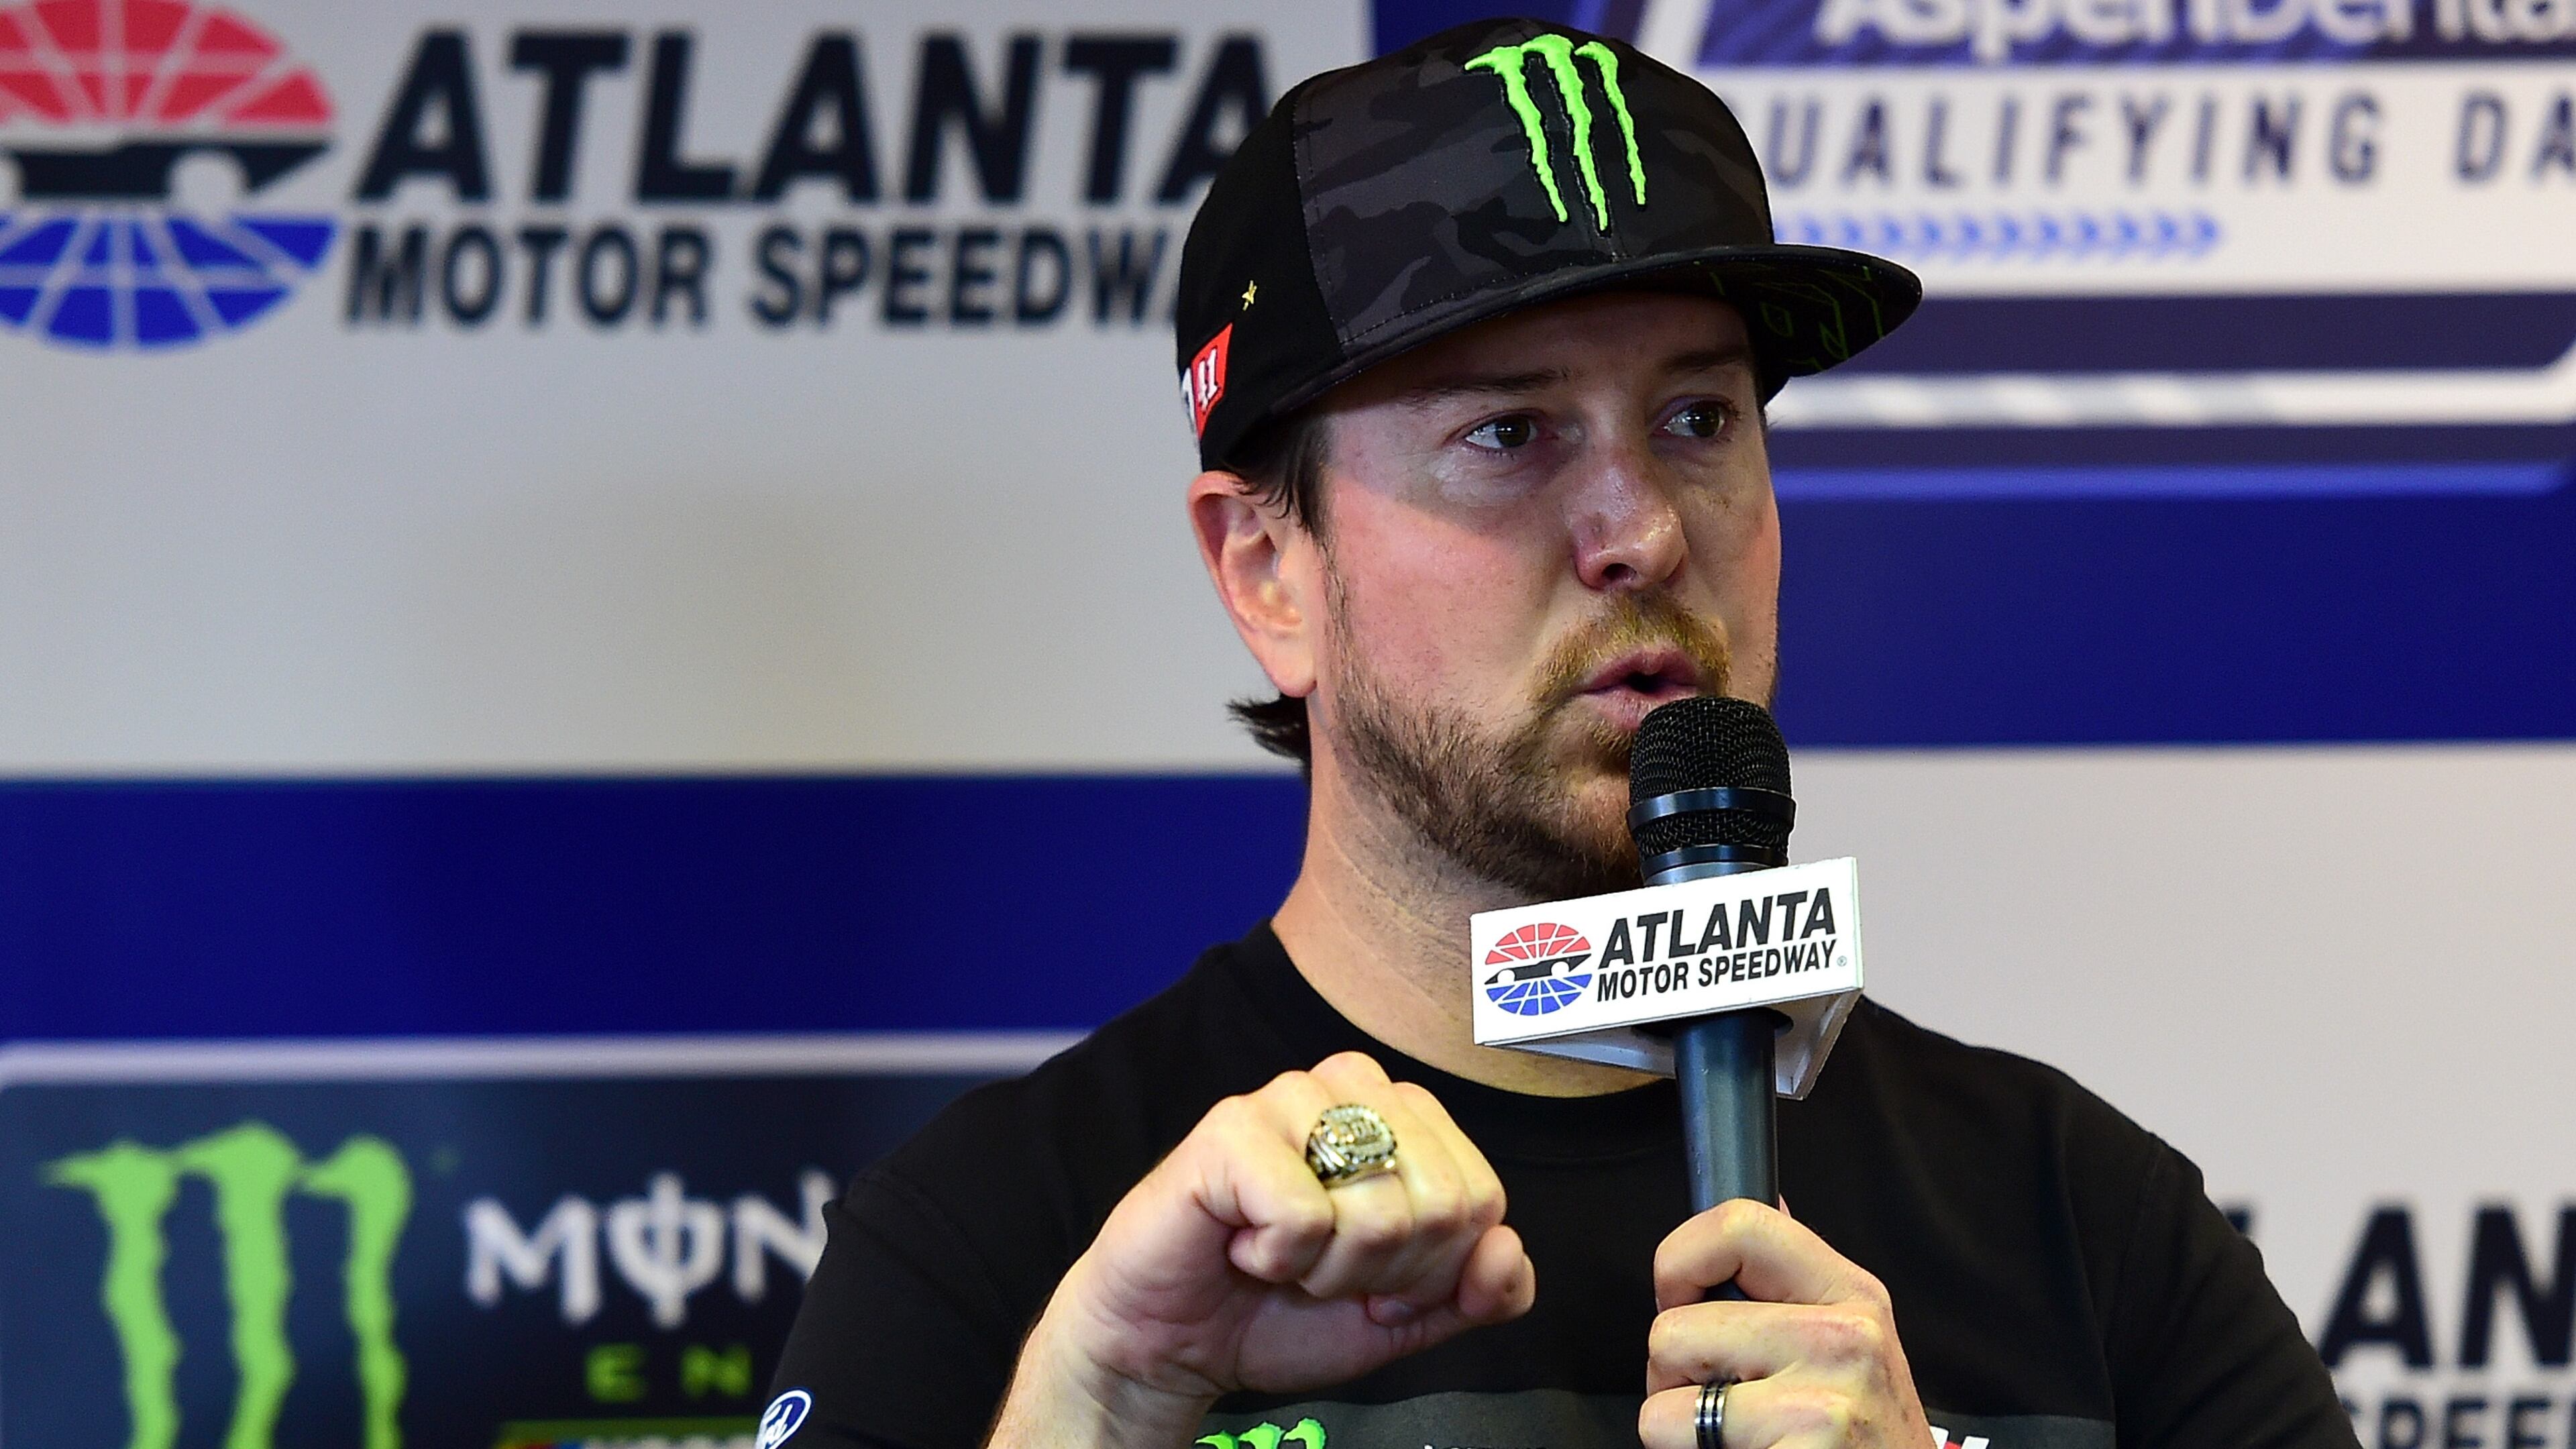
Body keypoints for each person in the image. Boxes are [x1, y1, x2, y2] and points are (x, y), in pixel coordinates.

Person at [769, 18, 2357, 1449]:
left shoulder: (2079, 1220)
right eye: (1509, 433)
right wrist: (1101, 1411)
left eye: (1698, 419)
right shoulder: (1024, 1249)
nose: (1644, 530)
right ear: (1270, 571)